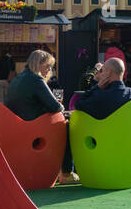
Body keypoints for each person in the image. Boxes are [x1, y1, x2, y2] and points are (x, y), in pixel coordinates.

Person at [6, 49, 78, 184]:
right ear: (38, 64)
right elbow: (56, 107)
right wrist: (63, 110)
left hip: (18, 126)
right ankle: (67, 173)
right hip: (35, 127)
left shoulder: (17, 79)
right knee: (67, 127)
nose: (50, 69)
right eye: (47, 65)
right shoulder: (36, 80)